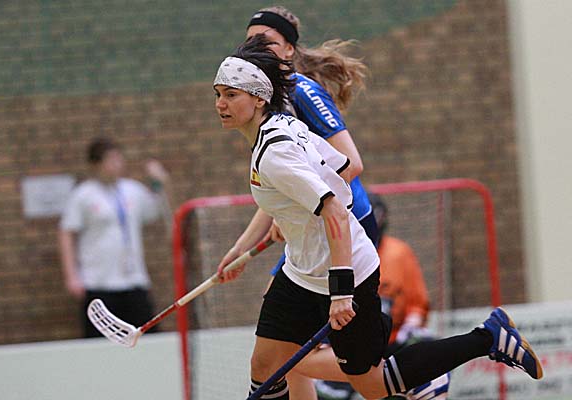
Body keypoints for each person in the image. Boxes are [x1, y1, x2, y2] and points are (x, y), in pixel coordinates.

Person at [213, 34, 542, 400]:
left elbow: (335, 209)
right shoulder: (282, 128)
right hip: (301, 272)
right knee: (265, 366)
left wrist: (341, 292)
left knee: (373, 384)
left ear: (259, 98)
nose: (220, 104)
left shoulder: (275, 152)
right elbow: (338, 169)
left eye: (231, 95)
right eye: (218, 94)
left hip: (346, 273)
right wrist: (292, 213)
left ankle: (488, 337)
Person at [243, 9, 379, 397]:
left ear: (289, 49)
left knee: (292, 352)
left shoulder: (302, 92)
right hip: (312, 229)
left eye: (267, 42)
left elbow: (351, 162)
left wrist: (303, 206)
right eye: (250, 42)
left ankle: (410, 375)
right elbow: (282, 187)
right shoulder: (271, 101)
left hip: (347, 222)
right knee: (285, 349)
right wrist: (238, 250)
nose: (258, 50)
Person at [316, 192, 449, 400]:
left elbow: (417, 302)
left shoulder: (399, 253)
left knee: (428, 349)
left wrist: (412, 324)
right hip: (349, 345)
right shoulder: (334, 254)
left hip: (394, 338)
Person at [58, 137, 172, 338]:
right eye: (110, 159)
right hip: (99, 283)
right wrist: (72, 276)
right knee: (100, 342)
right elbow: (66, 232)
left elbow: (158, 208)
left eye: (119, 158)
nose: (116, 164)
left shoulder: (132, 190)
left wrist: (160, 182)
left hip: (134, 280)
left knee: (147, 336)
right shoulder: (83, 195)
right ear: (96, 164)